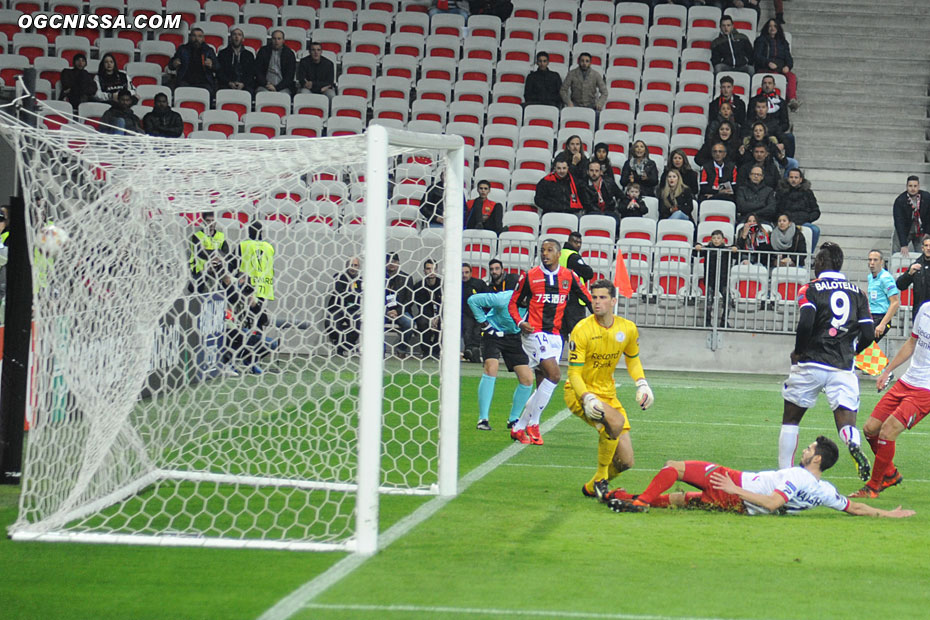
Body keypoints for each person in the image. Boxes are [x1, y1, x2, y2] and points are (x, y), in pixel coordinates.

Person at [607, 436, 914, 519]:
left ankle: (641, 502)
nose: (805, 451)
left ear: (816, 459)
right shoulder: (825, 490)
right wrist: (888, 513)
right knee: (682, 499)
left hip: (736, 486)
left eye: (808, 449)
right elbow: (855, 507)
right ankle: (618, 497)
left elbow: (771, 502)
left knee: (675, 467)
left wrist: (733, 487)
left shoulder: (798, 475)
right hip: (736, 507)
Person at [780, 242, 874, 482]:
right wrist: (852, 351)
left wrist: (798, 351)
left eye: (815, 261)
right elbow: (868, 334)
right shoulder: (858, 292)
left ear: (821, 263)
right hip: (842, 365)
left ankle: (784, 474)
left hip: (811, 362)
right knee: (846, 419)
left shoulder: (810, 289)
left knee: (791, 418)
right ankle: (852, 442)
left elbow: (806, 323)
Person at [566, 279, 653, 498]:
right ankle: (602, 479)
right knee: (615, 422)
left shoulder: (627, 328)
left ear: (613, 301)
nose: (597, 302)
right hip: (579, 392)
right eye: (594, 297)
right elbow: (574, 373)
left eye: (602, 297)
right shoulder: (582, 330)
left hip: (608, 395)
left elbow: (633, 360)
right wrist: (586, 398)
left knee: (626, 461)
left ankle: (591, 487)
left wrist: (642, 383)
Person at [508, 238, 592, 445]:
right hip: (534, 333)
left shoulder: (569, 276)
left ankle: (519, 428)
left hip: (556, 336)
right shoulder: (530, 276)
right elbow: (513, 303)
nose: (545, 254)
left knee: (543, 383)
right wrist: (520, 322)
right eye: (542, 250)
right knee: (555, 375)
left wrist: (598, 321)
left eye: (549, 250)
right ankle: (534, 423)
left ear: (558, 254)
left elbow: (588, 298)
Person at [852, 301, 930, 499]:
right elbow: (912, 343)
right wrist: (887, 370)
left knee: (888, 430)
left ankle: (873, 486)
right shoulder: (925, 309)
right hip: (907, 380)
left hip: (925, 390)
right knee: (870, 429)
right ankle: (890, 474)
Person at [467, 288, 533, 430]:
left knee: (527, 378)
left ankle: (514, 419)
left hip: (514, 336)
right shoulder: (503, 299)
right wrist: (485, 324)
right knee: (491, 368)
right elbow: (473, 300)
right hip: (493, 334)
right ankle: (483, 419)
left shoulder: (534, 304)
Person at [753, 19, 799, 110]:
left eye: (774, 26)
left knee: (792, 77)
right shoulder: (760, 40)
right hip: (766, 67)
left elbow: (789, 58)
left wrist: (788, 66)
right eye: (770, 26)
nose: (772, 28)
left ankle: (792, 100)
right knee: (776, 78)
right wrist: (767, 62)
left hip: (781, 67)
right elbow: (757, 56)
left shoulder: (783, 42)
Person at [558, 231, 594, 346]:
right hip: (575, 300)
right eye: (575, 242)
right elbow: (588, 273)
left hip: (560, 298)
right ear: (569, 241)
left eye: (580, 242)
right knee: (578, 333)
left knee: (560, 334)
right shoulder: (573, 256)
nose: (578, 245)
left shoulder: (558, 254)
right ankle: (577, 359)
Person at [694, 230, 735, 327]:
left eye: (718, 238)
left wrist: (735, 248)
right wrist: (697, 246)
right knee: (709, 301)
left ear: (723, 240)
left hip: (723, 279)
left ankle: (724, 321)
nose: (716, 240)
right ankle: (707, 321)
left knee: (728, 300)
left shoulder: (726, 250)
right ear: (711, 239)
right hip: (710, 279)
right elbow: (695, 252)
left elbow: (736, 251)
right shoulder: (708, 248)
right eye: (714, 238)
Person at [776, 169, 819, 250]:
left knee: (815, 230)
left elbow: (816, 211)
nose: (793, 180)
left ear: (800, 179)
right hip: (785, 223)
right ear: (787, 178)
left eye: (796, 177)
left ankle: (810, 254)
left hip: (804, 222)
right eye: (791, 177)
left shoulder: (808, 192)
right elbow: (776, 210)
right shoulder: (781, 192)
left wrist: (807, 218)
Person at [326, 256, 362, 356]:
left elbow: (360, 295)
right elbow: (340, 293)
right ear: (346, 266)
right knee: (332, 323)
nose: (353, 267)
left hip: (353, 310)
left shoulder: (360, 280)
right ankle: (343, 344)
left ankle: (341, 345)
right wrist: (353, 294)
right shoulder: (338, 276)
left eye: (355, 265)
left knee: (358, 325)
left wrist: (351, 294)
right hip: (338, 308)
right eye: (351, 265)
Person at [189, 211, 232, 294]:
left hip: (217, 271)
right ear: (204, 221)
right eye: (208, 220)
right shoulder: (197, 236)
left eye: (213, 221)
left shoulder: (221, 236)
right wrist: (217, 254)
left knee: (228, 281)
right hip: (201, 272)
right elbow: (200, 253)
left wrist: (216, 255)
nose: (211, 223)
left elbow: (226, 253)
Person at [385, 253, 416, 358]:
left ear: (399, 263)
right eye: (389, 261)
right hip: (384, 311)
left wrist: (397, 311)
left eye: (394, 261)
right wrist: (386, 311)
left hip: (401, 311)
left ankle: (401, 349)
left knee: (409, 323)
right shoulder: (379, 277)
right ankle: (380, 350)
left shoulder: (406, 278)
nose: (391, 264)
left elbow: (409, 300)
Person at [579, 160, 622, 234]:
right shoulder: (583, 185)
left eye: (596, 171)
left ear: (601, 172)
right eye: (591, 170)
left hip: (609, 212)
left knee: (616, 222)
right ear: (587, 172)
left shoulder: (609, 182)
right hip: (592, 212)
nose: (594, 173)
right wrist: (601, 215)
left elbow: (621, 195)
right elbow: (587, 204)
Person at [866, 250, 900, 344]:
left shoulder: (886, 278)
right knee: (866, 349)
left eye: (875, 260)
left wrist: (882, 324)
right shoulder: (870, 277)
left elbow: (895, 303)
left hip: (881, 318)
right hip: (871, 316)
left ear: (881, 262)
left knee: (863, 347)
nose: (872, 263)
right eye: (870, 260)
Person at [169, 27, 217, 93]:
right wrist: (174, 63)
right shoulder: (182, 49)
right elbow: (170, 65)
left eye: (199, 36)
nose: (196, 39)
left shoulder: (209, 50)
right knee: (179, 90)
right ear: (190, 37)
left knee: (209, 91)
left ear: (203, 39)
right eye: (194, 36)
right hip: (185, 81)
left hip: (204, 82)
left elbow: (218, 66)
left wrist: (212, 65)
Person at [893, 175, 930, 257]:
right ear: (906, 187)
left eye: (915, 186)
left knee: (923, 254)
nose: (913, 188)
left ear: (919, 186)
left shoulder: (927, 197)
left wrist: (927, 232)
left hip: (921, 230)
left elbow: (928, 217)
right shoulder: (900, 201)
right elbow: (899, 222)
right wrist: (903, 244)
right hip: (905, 230)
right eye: (910, 186)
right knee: (897, 253)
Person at [411, 259, 442, 359]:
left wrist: (438, 317)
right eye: (428, 269)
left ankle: (437, 350)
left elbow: (446, 305)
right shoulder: (419, 286)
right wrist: (430, 318)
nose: (431, 271)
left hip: (441, 314)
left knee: (443, 322)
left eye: (433, 269)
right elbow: (420, 306)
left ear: (437, 270)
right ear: (424, 271)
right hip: (425, 315)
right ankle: (426, 350)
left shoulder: (443, 285)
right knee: (422, 321)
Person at [894, 235, 930, 319]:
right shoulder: (916, 265)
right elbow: (900, 285)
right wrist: (909, 274)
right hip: (920, 312)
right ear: (922, 248)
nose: (928, 248)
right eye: (926, 245)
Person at [749, 74, 790, 140]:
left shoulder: (781, 102)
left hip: (775, 133)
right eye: (765, 83)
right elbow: (749, 118)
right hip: (756, 132)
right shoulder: (753, 101)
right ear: (761, 85)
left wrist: (774, 130)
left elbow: (785, 124)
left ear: (774, 85)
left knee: (790, 137)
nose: (767, 85)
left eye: (770, 83)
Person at [256, 30, 297, 96]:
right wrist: (267, 84)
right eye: (274, 38)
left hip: (283, 87)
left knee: (284, 96)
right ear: (271, 39)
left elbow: (289, 76)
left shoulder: (289, 54)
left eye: (279, 39)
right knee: (261, 95)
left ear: (283, 40)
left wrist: (276, 88)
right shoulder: (263, 51)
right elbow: (258, 71)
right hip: (265, 86)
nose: (276, 41)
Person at [216, 27, 257, 93]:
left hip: (245, 86)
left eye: (239, 35)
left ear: (243, 39)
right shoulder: (223, 53)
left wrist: (243, 84)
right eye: (234, 34)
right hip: (226, 85)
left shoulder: (249, 55)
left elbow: (251, 73)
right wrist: (229, 83)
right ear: (230, 38)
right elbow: (219, 72)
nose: (236, 37)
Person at [461, 263, 488, 362]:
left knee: (477, 330)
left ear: (471, 273)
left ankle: (472, 350)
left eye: (466, 272)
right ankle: (470, 349)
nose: (464, 275)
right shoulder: (456, 285)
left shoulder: (479, 284)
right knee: (467, 327)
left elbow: (487, 299)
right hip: (464, 314)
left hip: (479, 313)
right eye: (462, 273)